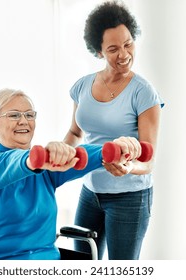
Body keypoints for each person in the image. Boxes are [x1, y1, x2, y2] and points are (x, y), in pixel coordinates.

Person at [0, 88, 132, 260]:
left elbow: (80, 153)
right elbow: (13, 161)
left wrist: (114, 149)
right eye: (14, 115)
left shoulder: (47, 171)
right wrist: (39, 157)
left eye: (29, 115)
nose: (24, 121)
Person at [63, 1, 164, 260]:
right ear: (98, 51)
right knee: (82, 263)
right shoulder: (82, 86)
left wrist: (129, 167)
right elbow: (75, 133)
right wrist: (62, 154)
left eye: (128, 44)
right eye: (113, 48)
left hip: (129, 197)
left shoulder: (144, 92)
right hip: (90, 192)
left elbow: (148, 160)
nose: (124, 54)